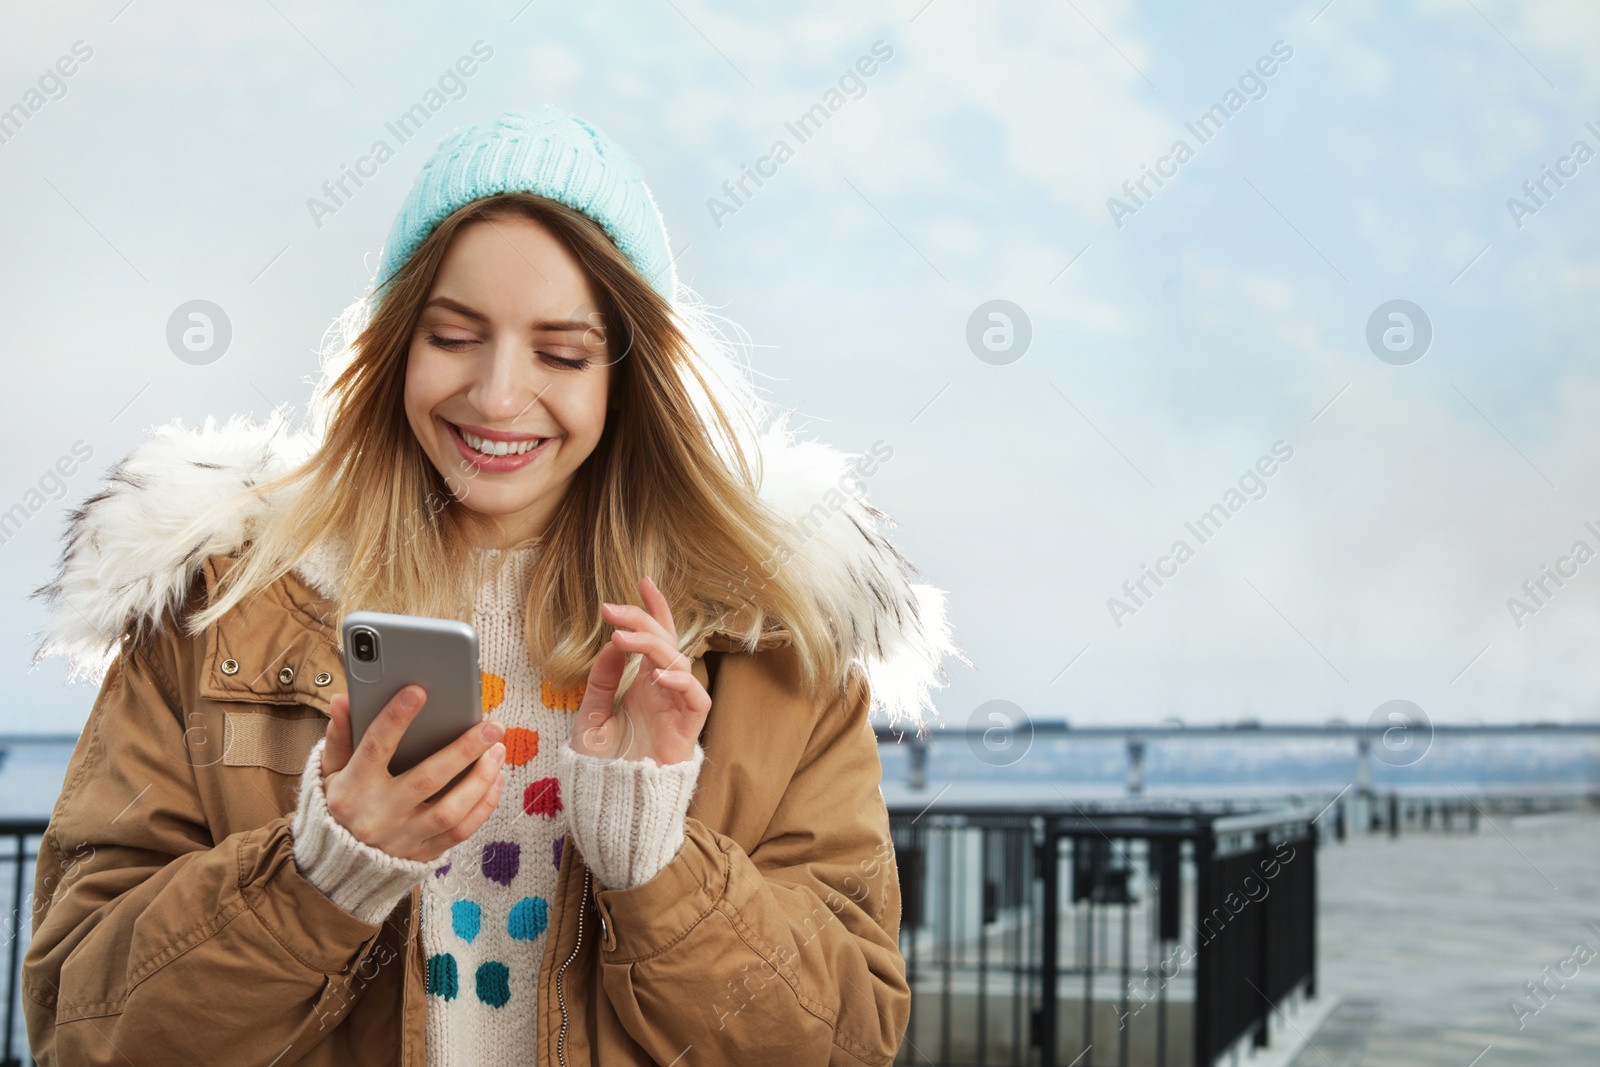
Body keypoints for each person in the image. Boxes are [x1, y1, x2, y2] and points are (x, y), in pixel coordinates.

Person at [22, 105, 966, 1065]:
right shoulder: (216, 607)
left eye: (561, 352)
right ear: (394, 348)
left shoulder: (773, 643)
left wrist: (656, 858)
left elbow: (842, 1044)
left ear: (627, 376)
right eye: (453, 335)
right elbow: (83, 1030)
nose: (500, 395)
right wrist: (321, 874)